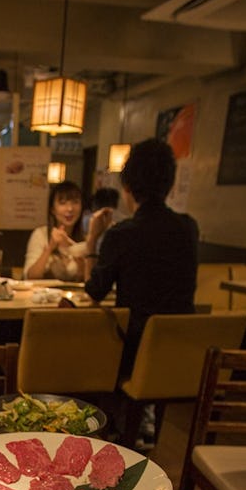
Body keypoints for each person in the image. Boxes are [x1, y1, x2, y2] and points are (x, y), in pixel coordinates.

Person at [85, 138, 199, 377]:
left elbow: (94, 292)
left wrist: (93, 240)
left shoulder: (121, 234)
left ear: (126, 186)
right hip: (181, 351)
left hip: (134, 355)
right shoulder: (189, 228)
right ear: (169, 184)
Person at [24, 180, 113, 281]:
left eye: (75, 202)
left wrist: (82, 269)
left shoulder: (85, 240)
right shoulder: (40, 234)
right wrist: (49, 248)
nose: (70, 209)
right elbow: (30, 276)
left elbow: (91, 283)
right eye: (62, 203)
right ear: (52, 209)